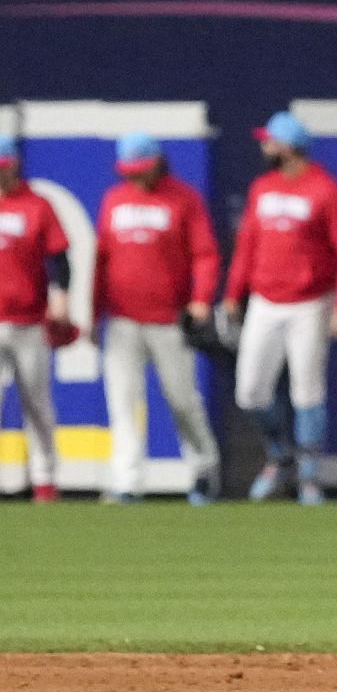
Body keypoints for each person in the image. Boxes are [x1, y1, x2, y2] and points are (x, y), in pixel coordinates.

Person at [220, 111, 337, 507]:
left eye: (269, 141)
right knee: (250, 391)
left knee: (307, 391)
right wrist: (233, 294)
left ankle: (309, 474)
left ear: (288, 147)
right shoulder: (262, 187)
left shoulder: (325, 190)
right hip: (265, 301)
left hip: (310, 303)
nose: (264, 147)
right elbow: (247, 246)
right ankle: (280, 454)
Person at [93, 132, 223, 505]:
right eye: (129, 171)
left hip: (169, 319)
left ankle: (202, 471)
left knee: (182, 400)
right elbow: (102, 261)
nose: (135, 178)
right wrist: (92, 314)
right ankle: (127, 482)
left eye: (141, 170)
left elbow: (205, 254)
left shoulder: (183, 198)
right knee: (122, 403)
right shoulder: (114, 199)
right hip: (121, 320)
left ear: (157, 163)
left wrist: (200, 299)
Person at [0, 134, 73, 502]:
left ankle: (44, 480)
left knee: (37, 404)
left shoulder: (36, 205)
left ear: (13, 165)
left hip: (29, 322)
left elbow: (60, 257)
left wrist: (60, 297)